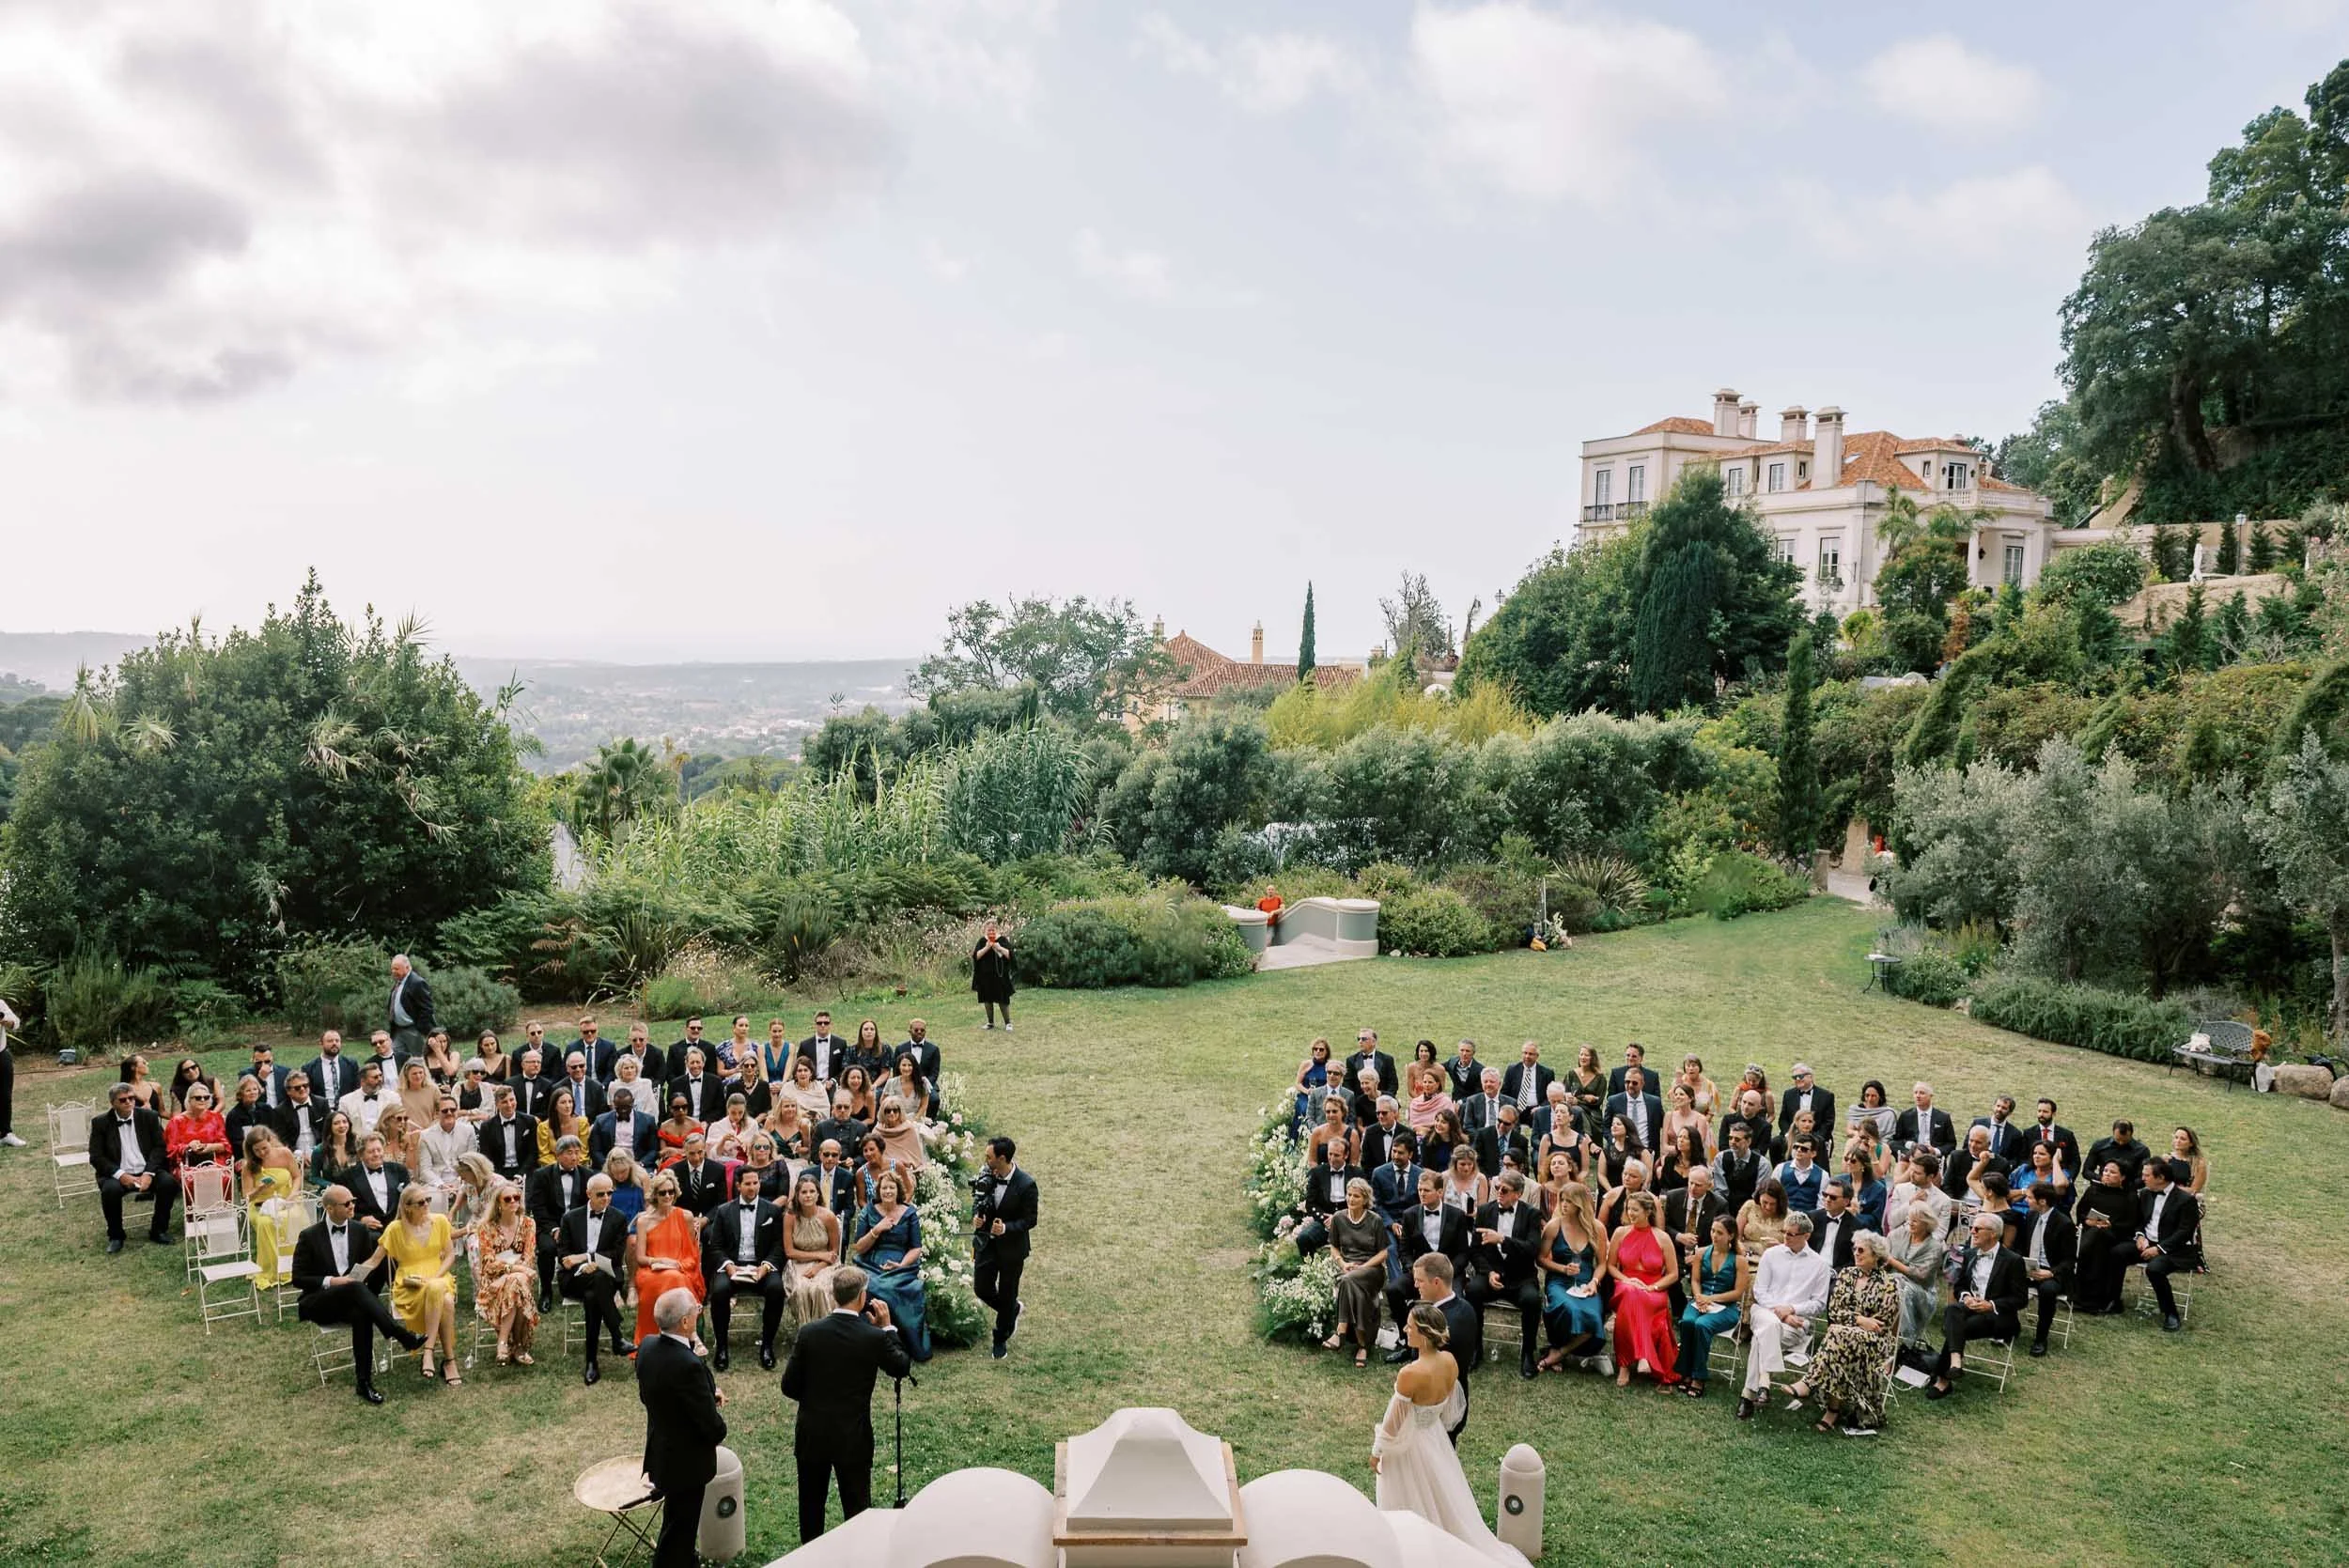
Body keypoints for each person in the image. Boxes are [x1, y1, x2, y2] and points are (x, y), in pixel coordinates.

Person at [1369, 1303, 1529, 1568]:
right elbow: (1451, 1404)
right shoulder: (1449, 1362)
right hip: (1435, 1436)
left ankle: (1410, 1554)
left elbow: (1393, 1420)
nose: (1406, 1329)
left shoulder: (1410, 1373)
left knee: (1408, 1499)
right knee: (1441, 1494)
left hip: (1410, 1444)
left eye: (1410, 1326)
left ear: (1424, 1333)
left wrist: (1378, 1451)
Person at [782, 1265, 915, 1541]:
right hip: (852, 1438)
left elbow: (789, 1386)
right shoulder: (873, 1337)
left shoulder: (809, 1333)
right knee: (857, 1512)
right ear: (862, 1297)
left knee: (811, 1509)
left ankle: (810, 1556)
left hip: (812, 1434)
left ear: (833, 1294)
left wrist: (816, 1398)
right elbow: (901, 1366)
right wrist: (888, 1327)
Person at [292, 1186, 428, 1403]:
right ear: (329, 1208)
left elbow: (369, 1268)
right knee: (354, 1287)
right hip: (319, 1301)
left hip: (353, 1299)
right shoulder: (309, 1236)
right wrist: (333, 1281)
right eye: (346, 1203)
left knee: (362, 1313)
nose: (352, 1206)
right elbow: (298, 1278)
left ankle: (364, 1383)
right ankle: (399, 1333)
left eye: (353, 1201)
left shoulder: (359, 1230)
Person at [637, 1286, 728, 1568]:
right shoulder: (687, 1364)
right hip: (686, 1464)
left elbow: (654, 1394)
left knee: (677, 1521)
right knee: (679, 1530)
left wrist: (705, 1393)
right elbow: (712, 1427)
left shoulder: (648, 1347)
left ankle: (687, 1560)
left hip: (661, 1453)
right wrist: (713, 1413)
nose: (699, 1313)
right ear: (686, 1322)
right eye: (696, 1310)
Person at [1781, 1229, 1901, 1434]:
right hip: (1843, 1338)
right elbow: (1835, 1311)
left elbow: (1881, 1324)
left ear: (1876, 1255)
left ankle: (1811, 1385)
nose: (1856, 1253)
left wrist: (1853, 1322)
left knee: (1837, 1334)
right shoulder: (1846, 1275)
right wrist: (1860, 1320)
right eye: (1855, 1249)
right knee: (1839, 1340)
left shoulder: (1889, 1284)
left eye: (1861, 1250)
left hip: (1875, 1342)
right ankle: (1832, 1410)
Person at [1736, 1211, 1830, 1420]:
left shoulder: (1820, 1265)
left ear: (1806, 1236)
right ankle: (1762, 1384)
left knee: (1761, 1337)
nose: (1785, 1237)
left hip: (1793, 1325)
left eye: (1791, 1234)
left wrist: (1792, 1309)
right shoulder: (1771, 1255)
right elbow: (1760, 1292)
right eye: (1784, 1232)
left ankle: (1750, 1393)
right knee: (1768, 1325)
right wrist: (1783, 1313)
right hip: (1764, 1312)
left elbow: (1819, 1304)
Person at [1925, 1212, 2027, 1399]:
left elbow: (2021, 1299)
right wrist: (1966, 1297)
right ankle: (1955, 1361)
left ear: (1993, 1234)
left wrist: (1991, 1304)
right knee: (1952, 1309)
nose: (1972, 1232)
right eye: (1972, 1227)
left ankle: (1943, 1379)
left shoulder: (2013, 1260)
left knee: (1957, 1326)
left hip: (1998, 1315)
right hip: (1970, 1308)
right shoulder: (1969, 1254)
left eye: (1977, 1229)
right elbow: (1960, 1286)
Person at [705, 1163, 788, 1371]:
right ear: (738, 1186)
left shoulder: (772, 1210)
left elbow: (779, 1246)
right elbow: (715, 1246)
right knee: (719, 1291)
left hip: (761, 1266)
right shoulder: (724, 1211)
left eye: (755, 1183)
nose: (752, 1187)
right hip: (733, 1265)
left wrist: (765, 1267)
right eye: (747, 1184)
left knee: (776, 1289)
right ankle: (722, 1347)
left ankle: (767, 1345)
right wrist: (729, 1266)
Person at [1464, 1171, 1544, 1379]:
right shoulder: (1485, 1211)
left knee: (1532, 1299)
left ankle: (1528, 1353)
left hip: (1520, 1277)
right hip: (1491, 1274)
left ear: (1518, 1193)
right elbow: (1475, 1251)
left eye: (1504, 1190)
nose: (1499, 1192)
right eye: (1497, 1187)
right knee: (1472, 1290)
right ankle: (1475, 1348)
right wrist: (1488, 1272)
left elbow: (1532, 1249)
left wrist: (1502, 1240)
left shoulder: (1531, 1214)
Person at [380, 1184, 462, 1385]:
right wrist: (352, 1277)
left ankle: (428, 1351)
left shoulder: (440, 1221)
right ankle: (449, 1361)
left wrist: (436, 1276)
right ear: (407, 1207)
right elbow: (375, 1259)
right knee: (446, 1302)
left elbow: (450, 1255)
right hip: (410, 1284)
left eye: (428, 1200)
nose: (426, 1204)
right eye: (421, 1202)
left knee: (436, 1287)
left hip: (439, 1275)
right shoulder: (395, 1229)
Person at [557, 1173, 632, 1385]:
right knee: (596, 1284)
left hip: (606, 1275)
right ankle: (617, 1337)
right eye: (601, 1194)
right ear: (588, 1194)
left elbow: (616, 1255)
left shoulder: (618, 1218)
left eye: (610, 1193)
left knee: (594, 1294)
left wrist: (587, 1258)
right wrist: (583, 1266)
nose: (606, 1198)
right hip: (575, 1278)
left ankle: (592, 1362)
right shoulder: (570, 1218)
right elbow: (564, 1255)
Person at [852, 1168, 931, 1362]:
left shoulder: (909, 1213)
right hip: (871, 1262)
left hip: (901, 1264)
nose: (888, 1191)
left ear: (898, 1190)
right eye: (884, 1188)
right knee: (869, 1286)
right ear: (878, 1191)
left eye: (892, 1188)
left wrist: (901, 1264)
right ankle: (869, 1343)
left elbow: (916, 1248)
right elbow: (859, 1247)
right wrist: (876, 1230)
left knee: (895, 1288)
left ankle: (904, 1342)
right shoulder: (869, 1211)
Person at [91, 1083, 179, 1252]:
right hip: (118, 1173)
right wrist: (120, 1175)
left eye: (131, 1098)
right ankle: (116, 1236)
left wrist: (149, 1173)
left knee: (168, 1183)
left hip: (147, 1169)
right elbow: (96, 1156)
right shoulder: (100, 1123)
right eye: (123, 1100)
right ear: (113, 1103)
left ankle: (159, 1230)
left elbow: (160, 1147)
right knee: (110, 1190)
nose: (128, 1102)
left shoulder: (149, 1117)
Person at [972, 1135, 1035, 1359]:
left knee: (1008, 1292)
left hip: (1012, 1249)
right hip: (987, 1244)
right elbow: (978, 1202)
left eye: (989, 1157)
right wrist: (977, 1218)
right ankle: (1011, 1310)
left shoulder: (1026, 1184)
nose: (985, 1160)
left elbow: (1031, 1220)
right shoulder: (986, 1174)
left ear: (1002, 1158)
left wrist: (1006, 1228)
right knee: (981, 1288)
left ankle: (1000, 1339)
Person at [1607, 1189, 1679, 1388]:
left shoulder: (1662, 1237)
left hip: (1653, 1288)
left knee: (1633, 1300)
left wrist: (1653, 1286)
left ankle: (1625, 1364)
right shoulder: (1620, 1233)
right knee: (1631, 1294)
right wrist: (1628, 1281)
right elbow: (1611, 1266)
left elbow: (1673, 1274)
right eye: (1628, 1209)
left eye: (1635, 1210)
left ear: (1648, 1211)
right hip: (1625, 1283)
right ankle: (1643, 1355)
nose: (1630, 1213)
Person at [1672, 1214, 1748, 1396]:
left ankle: (1698, 1376)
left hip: (1726, 1307)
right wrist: (1699, 1297)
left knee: (1702, 1325)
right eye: (1713, 1231)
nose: (1714, 1235)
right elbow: (1695, 1280)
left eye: (1720, 1233)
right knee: (1688, 1322)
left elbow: (1737, 1293)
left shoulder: (1739, 1260)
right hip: (1700, 1300)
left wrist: (1711, 1299)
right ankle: (1685, 1370)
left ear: (1730, 1236)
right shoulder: (1701, 1253)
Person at [1536, 1181, 1608, 1373]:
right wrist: (1562, 1269)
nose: (1564, 1205)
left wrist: (1594, 1281)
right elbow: (1541, 1259)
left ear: (1580, 1204)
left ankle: (1559, 1353)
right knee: (1571, 1308)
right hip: (1559, 1280)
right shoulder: (1554, 1226)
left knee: (1593, 1316)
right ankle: (1560, 1348)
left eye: (1569, 1201)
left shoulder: (1597, 1228)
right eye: (1562, 1200)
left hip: (1586, 1283)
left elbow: (1602, 1264)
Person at [629, 1169, 706, 1345]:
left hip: (680, 1268)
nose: (668, 1196)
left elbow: (692, 1254)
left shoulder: (685, 1216)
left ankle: (685, 1337)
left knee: (676, 1277)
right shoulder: (643, 1221)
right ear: (655, 1195)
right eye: (663, 1193)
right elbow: (640, 1258)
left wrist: (677, 1265)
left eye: (671, 1191)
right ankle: (690, 1336)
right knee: (674, 1278)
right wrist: (660, 1261)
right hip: (650, 1271)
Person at [1321, 1177, 1390, 1369]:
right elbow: (1334, 1246)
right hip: (1348, 1268)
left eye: (1356, 1196)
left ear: (1365, 1199)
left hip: (1371, 1270)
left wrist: (1364, 1266)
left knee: (1347, 1281)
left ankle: (1340, 1330)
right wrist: (1342, 1263)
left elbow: (1383, 1253)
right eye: (1349, 1195)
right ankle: (1362, 1345)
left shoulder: (1375, 1220)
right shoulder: (1339, 1218)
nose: (1351, 1199)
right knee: (1351, 1286)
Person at [2125, 1157, 2201, 1330]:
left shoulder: (2185, 1200)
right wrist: (2140, 1236)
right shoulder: (2145, 1194)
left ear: (2160, 1178)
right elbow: (2139, 1221)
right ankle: (2111, 1300)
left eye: (2147, 1175)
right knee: (2117, 1252)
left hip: (2174, 1249)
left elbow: (2185, 1232)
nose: (2142, 1178)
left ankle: (2171, 1314)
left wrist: (2159, 1249)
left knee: (2155, 1269)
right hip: (2146, 1243)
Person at [474, 1182, 540, 1365]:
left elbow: (528, 1258)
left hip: (516, 1277)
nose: (513, 1201)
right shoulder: (486, 1227)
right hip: (494, 1280)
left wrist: (506, 1276)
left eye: (516, 1198)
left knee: (515, 1283)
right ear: (498, 1203)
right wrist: (513, 1271)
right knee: (516, 1285)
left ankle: (502, 1343)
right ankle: (518, 1346)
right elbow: (488, 1264)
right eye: (508, 1199)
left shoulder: (528, 1223)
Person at [239, 1126, 303, 1287]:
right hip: (261, 1205)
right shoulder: (249, 1166)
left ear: (270, 1141)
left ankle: (295, 1264)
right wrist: (259, 1189)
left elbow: (297, 1176)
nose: (261, 1153)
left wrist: (293, 1194)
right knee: (266, 1223)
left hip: (286, 1199)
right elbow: (246, 1197)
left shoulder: (285, 1153)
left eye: (264, 1148)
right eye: (256, 1150)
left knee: (292, 1217)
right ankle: (273, 1268)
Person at [1887, 1202, 1945, 1344]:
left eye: (1915, 1221)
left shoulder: (1935, 1247)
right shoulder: (1898, 1235)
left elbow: (1920, 1275)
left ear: (1926, 1224)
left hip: (1921, 1292)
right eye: (1909, 1219)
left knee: (1899, 1286)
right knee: (1893, 1283)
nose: (1910, 1223)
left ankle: (1900, 1340)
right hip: (1890, 1283)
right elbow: (1883, 1254)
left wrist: (1892, 1261)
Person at [164, 1080, 232, 1173]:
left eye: (206, 1097)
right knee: (195, 1177)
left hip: (214, 1162)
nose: (202, 1100)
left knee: (215, 1174)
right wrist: (188, 1147)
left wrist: (209, 1147)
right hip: (186, 1164)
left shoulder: (216, 1118)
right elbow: (171, 1150)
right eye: (198, 1098)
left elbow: (226, 1146)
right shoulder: (176, 1122)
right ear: (189, 1100)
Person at [972, 920, 1016, 1030]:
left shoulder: (1002, 940)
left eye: (993, 930)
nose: (991, 932)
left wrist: (999, 947)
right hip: (985, 976)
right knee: (987, 999)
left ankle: (1008, 1023)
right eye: (989, 930)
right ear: (985, 930)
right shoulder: (982, 941)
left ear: (997, 930)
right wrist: (987, 947)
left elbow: (1010, 955)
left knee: (1003, 999)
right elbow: (976, 956)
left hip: (1000, 976)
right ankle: (990, 1022)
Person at [1736, 1178, 1789, 1267]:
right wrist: (1740, 1247)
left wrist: (1780, 1247)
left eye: (1772, 1204)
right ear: (1759, 1197)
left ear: (1779, 1202)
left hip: (1775, 1261)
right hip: (1747, 1258)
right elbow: (1737, 1237)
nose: (1768, 1207)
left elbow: (1793, 1248)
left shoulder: (1788, 1216)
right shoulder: (1749, 1206)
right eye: (1765, 1202)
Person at [1893, 1081, 1956, 1157]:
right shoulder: (1906, 1116)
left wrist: (1935, 1151)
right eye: (1915, 1093)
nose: (1918, 1096)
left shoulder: (1943, 1117)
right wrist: (1911, 1146)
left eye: (1922, 1093)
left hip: (1933, 1158)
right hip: (1911, 1155)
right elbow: (1896, 1140)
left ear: (1930, 1096)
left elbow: (1951, 1144)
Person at [1778, 1063, 1837, 1141]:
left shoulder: (1826, 1096)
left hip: (1817, 1137)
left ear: (1811, 1077)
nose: (1797, 1079)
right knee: (1775, 1142)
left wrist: (1815, 1139)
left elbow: (1828, 1122)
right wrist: (1788, 1135)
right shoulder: (1788, 1094)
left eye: (1801, 1076)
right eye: (1794, 1077)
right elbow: (1783, 1120)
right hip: (1792, 1136)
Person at [2168, 1126, 2209, 1194]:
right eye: (2176, 1137)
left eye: (2183, 1139)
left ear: (2191, 1143)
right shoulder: (2167, 1158)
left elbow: (2194, 1190)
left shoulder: (2197, 1163)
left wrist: (2169, 1188)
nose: (2178, 1141)